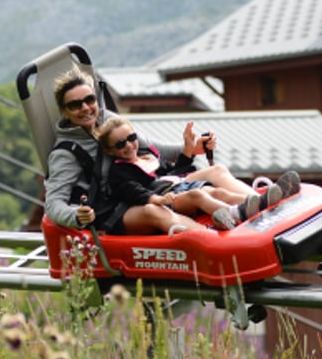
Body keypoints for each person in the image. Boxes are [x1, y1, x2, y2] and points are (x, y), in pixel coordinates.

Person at [43, 67, 298, 236]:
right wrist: (76, 216)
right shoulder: (66, 154)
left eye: (89, 100)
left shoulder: (108, 120)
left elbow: (149, 146)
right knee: (157, 211)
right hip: (117, 206)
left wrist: (190, 148)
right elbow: (53, 204)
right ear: (64, 111)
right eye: (75, 105)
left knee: (217, 171)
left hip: (151, 184)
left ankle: (266, 207)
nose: (86, 108)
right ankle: (214, 241)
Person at [96, 114, 257, 231]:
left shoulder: (147, 156)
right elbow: (134, 191)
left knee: (214, 191)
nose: (129, 145)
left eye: (131, 137)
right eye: (120, 144)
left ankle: (255, 202)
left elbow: (174, 173)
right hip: (165, 197)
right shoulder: (119, 171)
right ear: (110, 151)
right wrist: (158, 199)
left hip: (173, 188)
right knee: (198, 195)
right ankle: (234, 215)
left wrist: (188, 151)